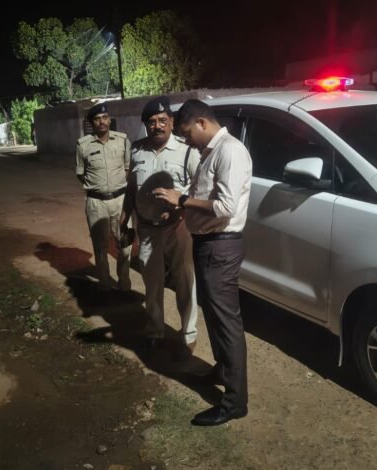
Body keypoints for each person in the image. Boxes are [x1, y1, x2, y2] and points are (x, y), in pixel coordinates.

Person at [152, 99, 252, 426]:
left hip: (221, 246)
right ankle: (222, 371)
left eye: (187, 134)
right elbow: (205, 195)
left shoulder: (229, 152)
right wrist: (182, 206)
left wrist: (182, 199)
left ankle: (235, 402)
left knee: (226, 322)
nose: (186, 141)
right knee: (213, 314)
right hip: (208, 243)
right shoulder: (211, 152)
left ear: (201, 123)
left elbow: (224, 207)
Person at [119, 96, 201, 358]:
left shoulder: (187, 150)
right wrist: (124, 218)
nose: (158, 126)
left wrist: (182, 206)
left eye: (163, 120)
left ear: (172, 122)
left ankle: (188, 334)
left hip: (178, 228)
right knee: (152, 283)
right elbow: (132, 188)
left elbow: (200, 188)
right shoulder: (136, 151)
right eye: (152, 122)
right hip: (147, 230)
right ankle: (155, 331)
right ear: (146, 125)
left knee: (185, 281)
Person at [76, 103, 132, 292]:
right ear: (91, 122)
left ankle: (124, 283)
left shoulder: (122, 140)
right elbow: (81, 173)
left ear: (109, 120)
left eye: (105, 117)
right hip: (96, 202)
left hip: (121, 200)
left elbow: (127, 168)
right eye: (97, 119)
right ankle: (105, 285)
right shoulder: (83, 145)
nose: (102, 121)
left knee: (125, 243)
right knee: (100, 246)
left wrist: (116, 186)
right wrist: (98, 187)